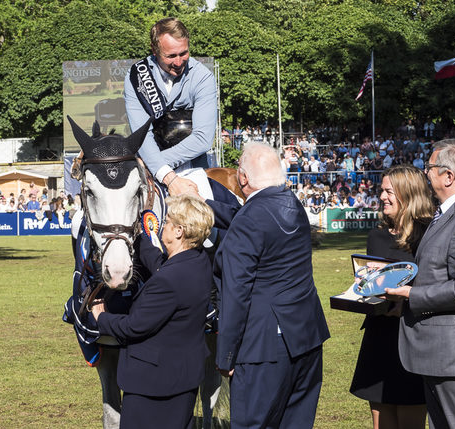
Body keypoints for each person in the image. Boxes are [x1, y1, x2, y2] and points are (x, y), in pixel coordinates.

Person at [214, 143, 330, 428]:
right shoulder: (292, 204)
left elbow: (236, 294)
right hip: (306, 338)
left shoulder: (250, 220)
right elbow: (256, 220)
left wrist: (226, 354)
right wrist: (206, 205)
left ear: (243, 178)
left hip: (262, 348)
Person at [386, 140, 455, 429]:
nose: (426, 173)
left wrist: (413, 294)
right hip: (443, 352)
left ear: (448, 176)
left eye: (430, 168)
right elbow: (440, 271)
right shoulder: (454, 212)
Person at [92, 194, 214, 429]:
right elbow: (160, 263)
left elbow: (133, 327)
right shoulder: (198, 261)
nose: (162, 228)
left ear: (179, 231)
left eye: (167, 222)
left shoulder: (167, 281)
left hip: (152, 385)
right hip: (184, 377)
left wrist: (101, 316)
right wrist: (137, 238)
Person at [350, 165, 433, 429]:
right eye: (382, 190)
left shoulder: (429, 235)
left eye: (389, 191)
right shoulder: (376, 235)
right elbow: (373, 284)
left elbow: (435, 286)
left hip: (413, 339)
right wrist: (361, 287)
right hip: (380, 337)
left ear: (409, 195)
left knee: (410, 421)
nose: (382, 196)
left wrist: (405, 304)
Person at [124, 17, 217, 196]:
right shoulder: (136, 77)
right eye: (171, 56)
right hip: (148, 170)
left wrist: (157, 163)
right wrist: (163, 172)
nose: (179, 62)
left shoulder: (203, 77)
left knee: (206, 219)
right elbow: (142, 134)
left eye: (184, 53)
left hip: (193, 169)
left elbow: (203, 139)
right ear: (154, 50)